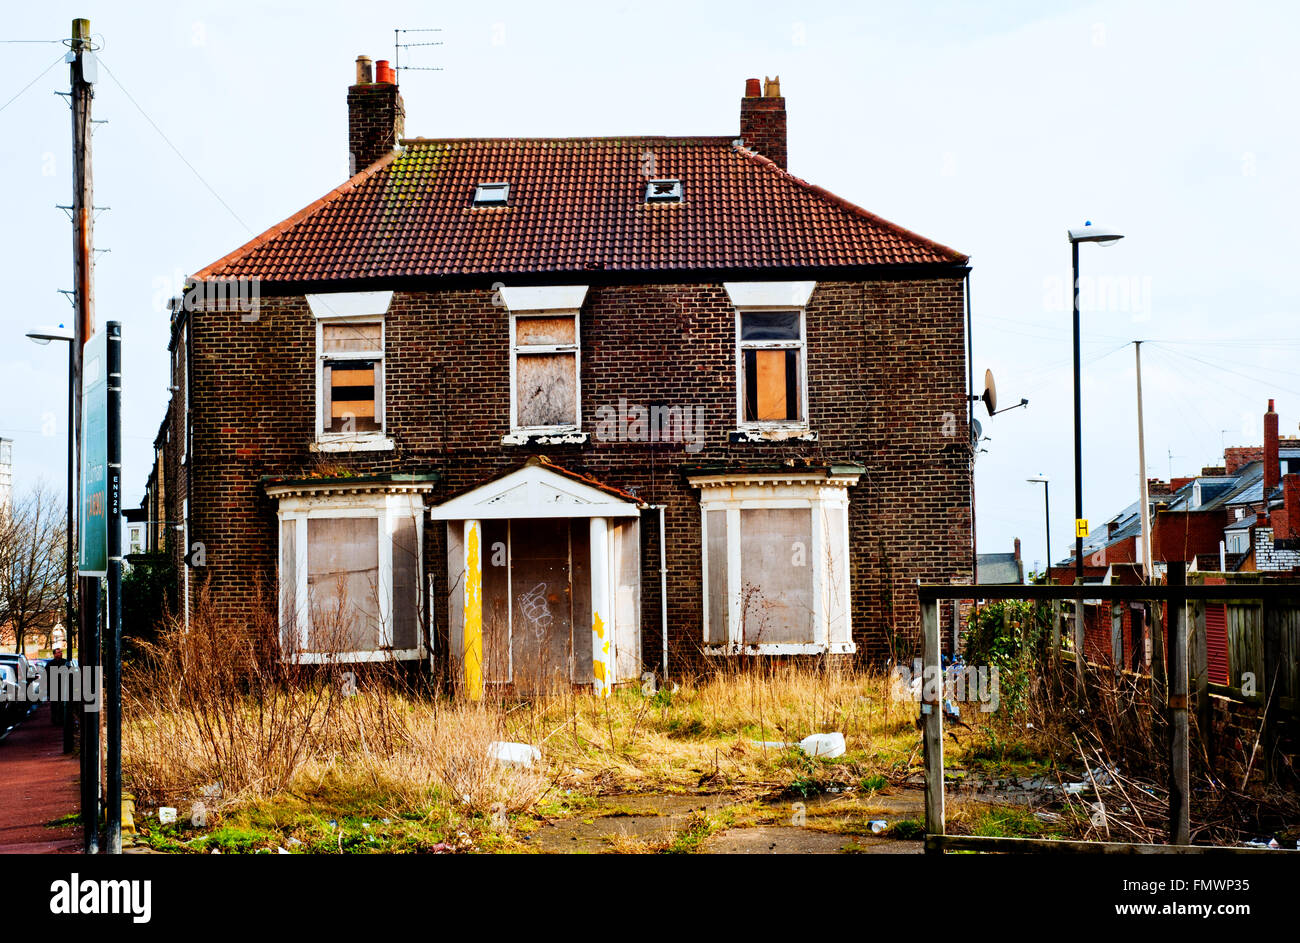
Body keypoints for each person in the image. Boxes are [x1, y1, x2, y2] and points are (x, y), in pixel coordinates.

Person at [47, 644, 67, 725]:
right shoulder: (50, 664)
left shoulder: (65, 662)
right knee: (54, 705)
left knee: (62, 704)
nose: (60, 653)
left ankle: (62, 719)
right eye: (58, 652)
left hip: (63, 686)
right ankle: (54, 719)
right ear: (54, 654)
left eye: (61, 652)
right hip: (53, 687)